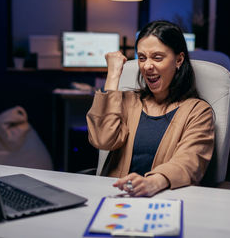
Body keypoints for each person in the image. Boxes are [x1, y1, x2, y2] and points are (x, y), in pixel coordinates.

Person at [86, 20, 215, 197]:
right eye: (142, 57)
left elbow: (189, 162)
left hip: (165, 199)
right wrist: (113, 75)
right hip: (117, 197)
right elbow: (103, 140)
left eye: (157, 57)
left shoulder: (198, 111)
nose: (147, 66)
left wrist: (152, 183)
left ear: (178, 60)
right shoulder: (129, 100)